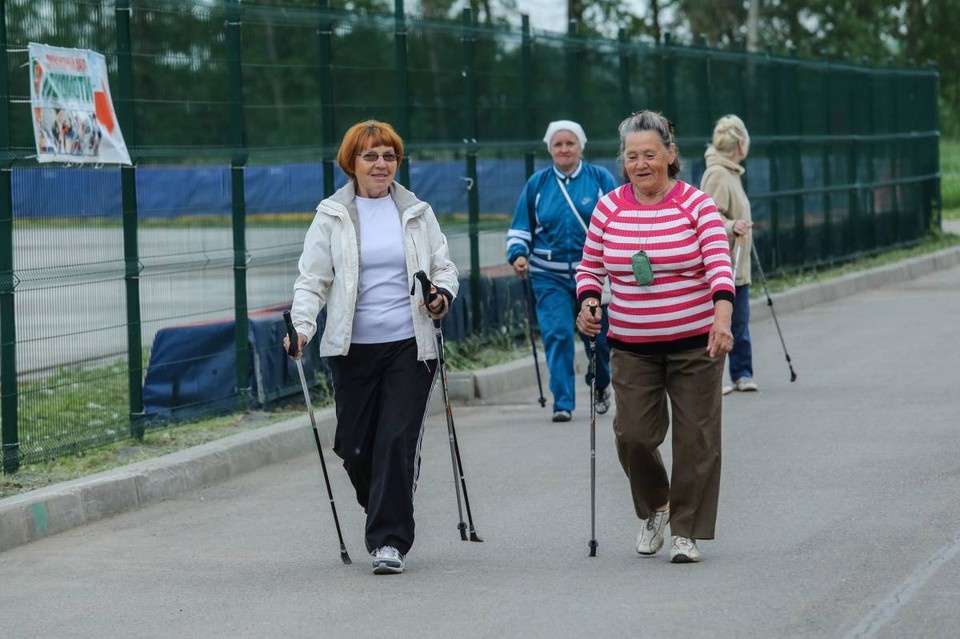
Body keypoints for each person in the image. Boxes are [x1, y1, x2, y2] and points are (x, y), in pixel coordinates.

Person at [284, 119, 458, 575]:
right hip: (352, 349)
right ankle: (386, 499)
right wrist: (302, 326)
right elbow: (313, 280)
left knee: (395, 440)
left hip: (411, 346)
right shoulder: (332, 215)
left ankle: (388, 540)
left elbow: (444, 267)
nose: (381, 164)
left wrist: (440, 294)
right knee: (355, 448)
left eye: (388, 156)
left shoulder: (417, 211)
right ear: (352, 163)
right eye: (371, 156)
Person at [575, 110, 735, 563]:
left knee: (696, 438)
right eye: (632, 156)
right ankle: (658, 507)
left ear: (670, 153)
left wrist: (721, 319)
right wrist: (588, 303)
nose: (641, 163)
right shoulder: (609, 207)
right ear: (622, 162)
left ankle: (686, 530)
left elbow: (720, 268)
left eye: (650, 154)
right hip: (632, 345)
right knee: (633, 436)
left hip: (696, 344)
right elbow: (590, 267)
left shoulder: (696, 204)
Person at [506, 120, 619, 423]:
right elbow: (520, 228)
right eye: (558, 144)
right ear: (550, 148)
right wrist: (517, 255)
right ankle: (563, 402)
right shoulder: (537, 184)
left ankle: (601, 385)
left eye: (570, 143)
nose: (564, 149)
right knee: (557, 334)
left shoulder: (600, 179)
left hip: (593, 275)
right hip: (548, 275)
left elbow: (618, 221)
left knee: (600, 339)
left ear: (581, 146)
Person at [700, 114, 757, 395]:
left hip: (739, 263)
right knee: (725, 320)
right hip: (724, 264)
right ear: (741, 143)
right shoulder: (718, 175)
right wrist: (733, 226)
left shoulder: (731, 171)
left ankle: (742, 372)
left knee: (740, 320)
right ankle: (718, 375)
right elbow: (709, 218)